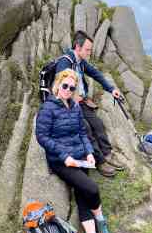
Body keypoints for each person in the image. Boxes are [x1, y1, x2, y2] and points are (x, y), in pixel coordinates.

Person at [35, 69, 114, 233]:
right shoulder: (48, 108)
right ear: (57, 85)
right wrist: (65, 156)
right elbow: (42, 137)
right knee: (92, 188)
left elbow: (82, 133)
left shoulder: (75, 106)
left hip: (80, 158)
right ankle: (101, 220)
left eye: (72, 87)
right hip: (61, 161)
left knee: (83, 195)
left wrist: (89, 153)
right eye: (65, 86)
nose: (68, 90)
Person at [54, 30, 125, 178]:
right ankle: (99, 162)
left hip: (81, 103)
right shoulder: (65, 62)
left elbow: (96, 74)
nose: (89, 52)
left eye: (90, 49)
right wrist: (73, 97)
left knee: (98, 123)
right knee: (85, 128)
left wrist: (111, 89)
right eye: (87, 49)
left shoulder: (81, 62)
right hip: (67, 105)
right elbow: (60, 86)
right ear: (77, 48)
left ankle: (108, 154)